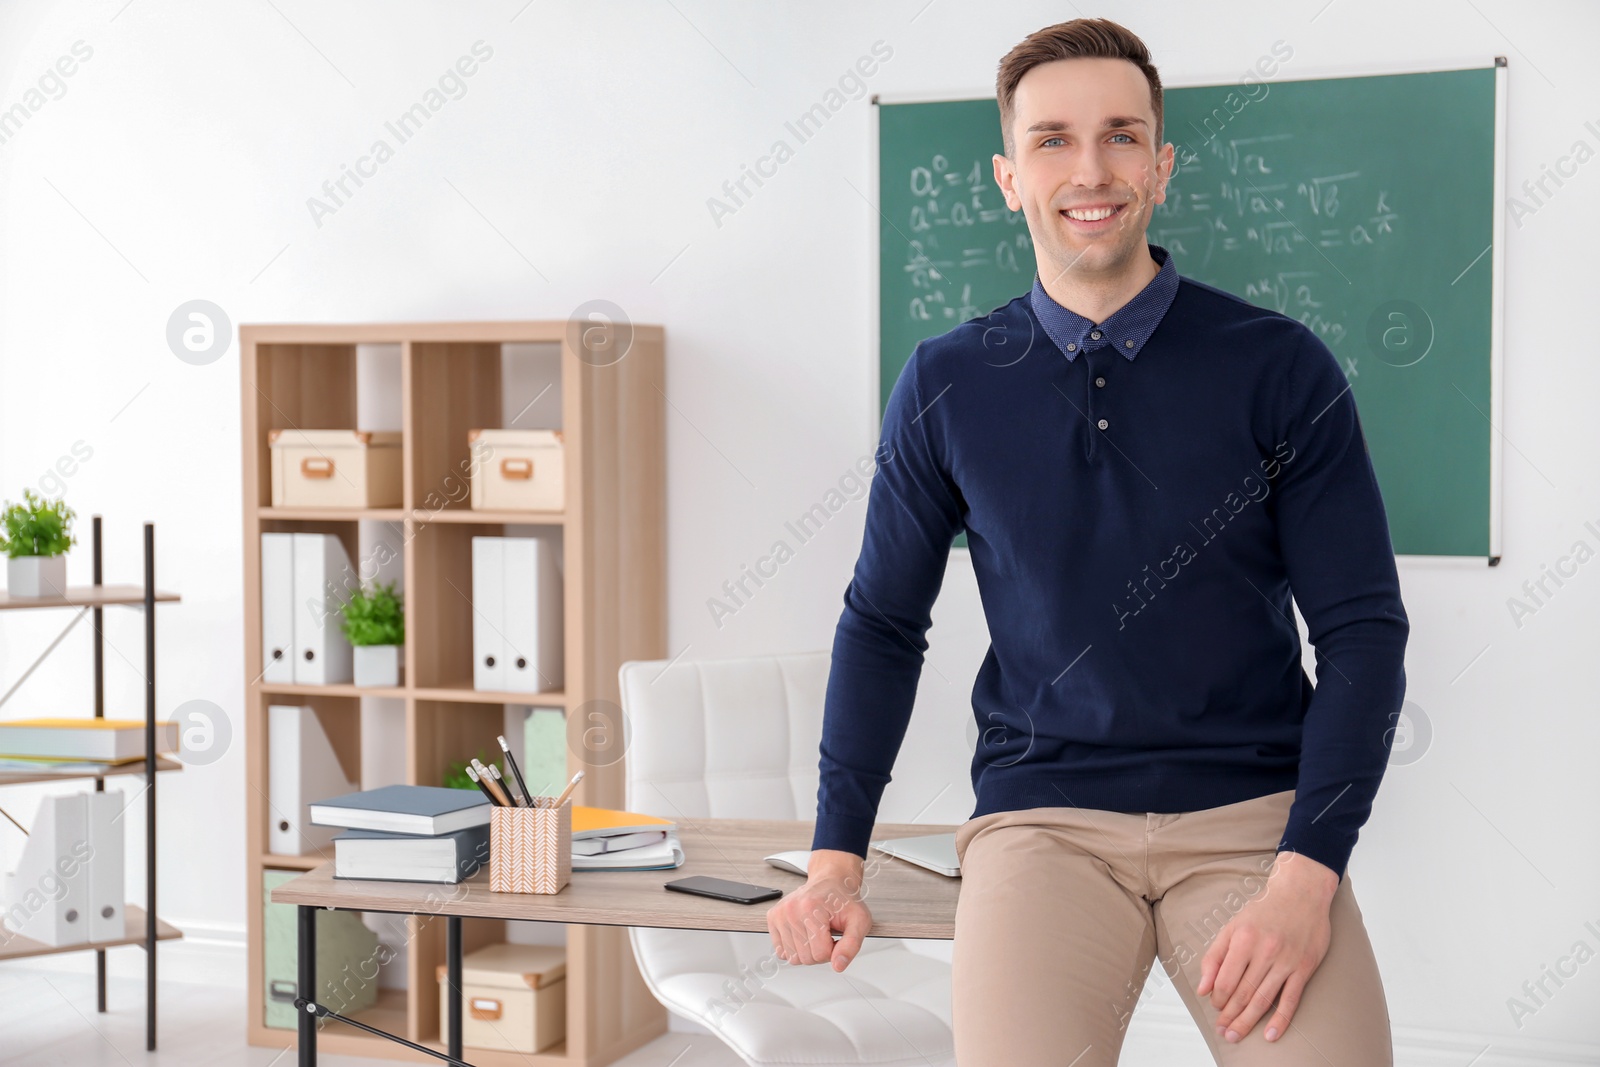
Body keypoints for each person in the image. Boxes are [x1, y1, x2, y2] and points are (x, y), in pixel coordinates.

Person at [765, 16, 1408, 1066]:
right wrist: (835, 857)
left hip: (1251, 820)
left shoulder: (1279, 365)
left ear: (1160, 165)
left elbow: (1362, 632)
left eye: (1119, 136)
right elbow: (882, 624)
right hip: (1042, 821)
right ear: (1008, 176)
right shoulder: (945, 382)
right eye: (1052, 140)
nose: (1089, 167)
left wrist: (1305, 877)